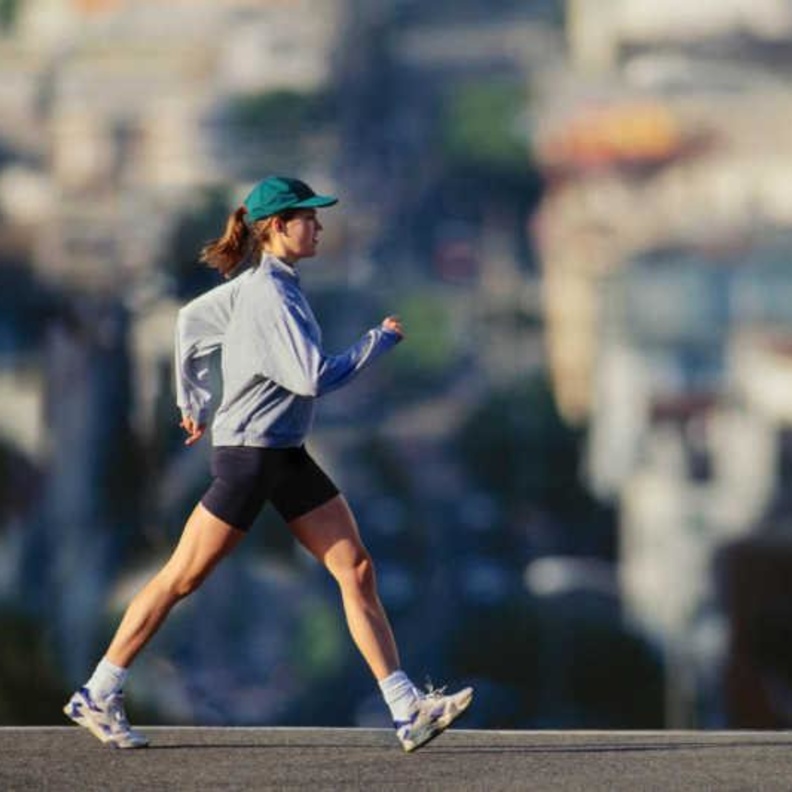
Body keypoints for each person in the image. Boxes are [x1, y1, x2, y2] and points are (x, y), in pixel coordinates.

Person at [63, 175, 473, 752]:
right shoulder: (270, 296)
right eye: (309, 217)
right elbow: (312, 377)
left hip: (284, 453)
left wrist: (194, 402)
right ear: (277, 227)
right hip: (252, 459)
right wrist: (377, 342)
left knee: (355, 569)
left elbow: (189, 323)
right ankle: (98, 692)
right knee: (181, 578)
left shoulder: (261, 285)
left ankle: (407, 709)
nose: (320, 226)